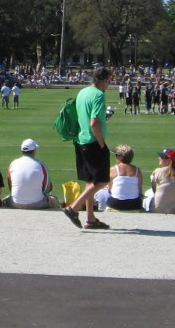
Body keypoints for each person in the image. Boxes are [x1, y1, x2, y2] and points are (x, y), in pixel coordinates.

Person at [64, 67, 112, 230]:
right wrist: (102, 144)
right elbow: (94, 122)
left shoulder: (82, 92)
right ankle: (74, 207)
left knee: (90, 181)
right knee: (102, 180)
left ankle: (90, 218)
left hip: (80, 140)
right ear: (104, 80)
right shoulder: (99, 95)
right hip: (92, 142)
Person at [5, 139, 58, 209]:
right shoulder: (41, 165)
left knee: (5, 199)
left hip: (15, 203)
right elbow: (46, 188)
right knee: (54, 200)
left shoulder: (13, 164)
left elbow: (10, 185)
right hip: (38, 204)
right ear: (34, 151)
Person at [106, 144, 143, 212]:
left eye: (117, 155)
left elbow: (110, 189)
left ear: (121, 157)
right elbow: (139, 190)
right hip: (135, 204)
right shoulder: (138, 170)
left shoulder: (113, 169)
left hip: (116, 203)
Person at [148, 149, 175, 214]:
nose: (159, 158)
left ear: (168, 160)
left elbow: (154, 190)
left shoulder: (157, 171)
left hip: (159, 209)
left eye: (162, 157)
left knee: (148, 194)